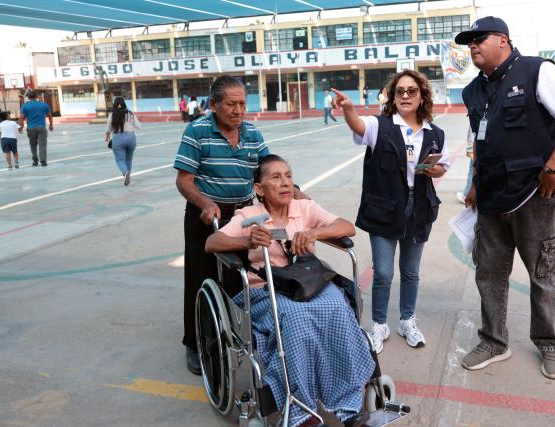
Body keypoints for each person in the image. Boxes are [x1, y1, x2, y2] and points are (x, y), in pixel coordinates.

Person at [455, 16, 555, 380]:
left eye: (478, 39)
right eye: (469, 42)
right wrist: (473, 185)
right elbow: (479, 142)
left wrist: (554, 167)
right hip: (491, 200)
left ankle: (549, 343)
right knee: (489, 275)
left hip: (534, 196)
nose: (472, 46)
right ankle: (494, 341)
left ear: (503, 40)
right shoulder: (473, 91)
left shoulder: (536, 71)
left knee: (542, 274)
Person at [205, 154, 373, 427]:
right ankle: (301, 409)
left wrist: (315, 234)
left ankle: (347, 402)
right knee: (296, 319)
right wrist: (247, 240)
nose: (285, 183)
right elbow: (212, 241)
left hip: (308, 282)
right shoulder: (249, 216)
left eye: (288, 176)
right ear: (259, 189)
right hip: (267, 287)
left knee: (338, 307)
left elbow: (347, 227)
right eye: (275, 177)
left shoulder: (304, 208)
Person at [331, 69, 450, 354]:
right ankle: (379, 324)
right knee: (383, 272)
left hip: (419, 207)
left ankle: (407, 321)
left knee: (411, 272)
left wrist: (435, 170)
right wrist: (349, 110)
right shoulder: (380, 126)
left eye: (412, 91)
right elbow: (358, 126)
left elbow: (442, 167)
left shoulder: (435, 133)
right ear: (392, 96)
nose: (405, 95)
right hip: (385, 209)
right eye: (400, 91)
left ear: (422, 96)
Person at [173, 76, 271, 376]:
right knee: (201, 278)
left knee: (239, 278)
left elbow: (268, 170)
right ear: (213, 105)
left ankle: (236, 334)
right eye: (231, 104)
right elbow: (184, 180)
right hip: (206, 216)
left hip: (241, 217)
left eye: (242, 103)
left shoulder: (252, 133)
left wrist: (295, 192)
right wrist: (205, 204)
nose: (238, 110)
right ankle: (195, 342)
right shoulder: (197, 131)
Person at [105, 97, 141, 186]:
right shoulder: (131, 114)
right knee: (129, 159)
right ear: (124, 104)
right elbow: (139, 126)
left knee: (120, 159)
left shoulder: (112, 115)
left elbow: (108, 129)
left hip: (118, 138)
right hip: (131, 138)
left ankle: (125, 173)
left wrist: (107, 137)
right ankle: (128, 174)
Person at [19, 91, 53, 167]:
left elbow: (21, 118)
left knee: (33, 145)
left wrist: (20, 128)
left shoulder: (25, 106)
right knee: (42, 145)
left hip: (31, 128)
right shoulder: (43, 104)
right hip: (41, 127)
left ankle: (35, 161)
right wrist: (51, 125)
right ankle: (43, 161)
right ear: (37, 96)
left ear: (28, 97)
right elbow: (50, 115)